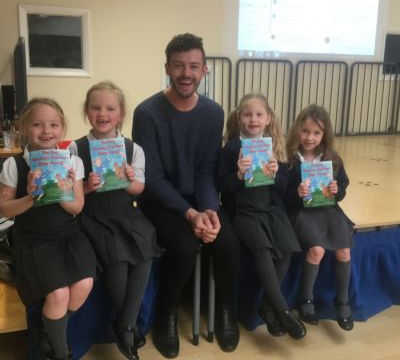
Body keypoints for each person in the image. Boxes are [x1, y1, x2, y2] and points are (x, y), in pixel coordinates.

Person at [132, 33, 241, 358]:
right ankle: (165, 314)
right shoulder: (147, 112)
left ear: (204, 70)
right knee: (183, 245)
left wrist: (207, 211)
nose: (186, 73)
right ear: (167, 68)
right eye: (178, 65)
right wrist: (190, 214)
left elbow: (207, 170)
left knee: (227, 242)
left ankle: (225, 311)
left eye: (194, 66)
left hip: (199, 199)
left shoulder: (213, 112)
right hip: (160, 202)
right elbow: (152, 179)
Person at [68, 81, 159, 360]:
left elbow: (139, 188)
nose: (102, 113)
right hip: (95, 218)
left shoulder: (133, 149)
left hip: (127, 214)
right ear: (86, 112)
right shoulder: (76, 148)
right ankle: (128, 325)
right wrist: (87, 186)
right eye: (95, 108)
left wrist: (129, 179)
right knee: (118, 263)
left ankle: (125, 326)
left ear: (121, 113)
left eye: (110, 108)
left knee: (145, 252)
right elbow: (69, 194)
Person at [0, 98, 96, 360]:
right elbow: (5, 210)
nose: (46, 131)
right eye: (37, 124)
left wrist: (64, 192)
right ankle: (61, 352)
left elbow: (78, 206)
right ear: (23, 128)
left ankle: (47, 328)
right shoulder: (15, 165)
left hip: (67, 234)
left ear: (62, 129)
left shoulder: (73, 162)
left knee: (85, 283)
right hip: (33, 239)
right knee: (58, 293)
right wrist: (31, 196)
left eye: (54, 125)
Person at [218, 93, 306, 340]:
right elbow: (221, 186)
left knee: (286, 248)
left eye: (259, 114)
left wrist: (276, 173)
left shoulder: (274, 147)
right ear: (239, 118)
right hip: (243, 213)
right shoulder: (231, 149)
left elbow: (283, 187)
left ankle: (267, 306)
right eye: (247, 114)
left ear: (268, 118)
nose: (253, 119)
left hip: (270, 209)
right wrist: (238, 175)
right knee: (263, 249)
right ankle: (283, 310)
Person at [285, 104, 354, 331]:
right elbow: (281, 193)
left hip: (329, 211)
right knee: (317, 250)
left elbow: (342, 187)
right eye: (305, 131)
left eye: (316, 132)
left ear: (325, 135)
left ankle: (342, 301)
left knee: (344, 250)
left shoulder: (332, 159)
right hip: (303, 212)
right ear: (297, 130)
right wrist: (296, 193)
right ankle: (305, 298)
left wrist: (336, 190)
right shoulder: (289, 159)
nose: (310, 137)